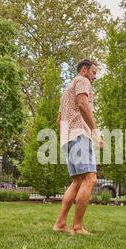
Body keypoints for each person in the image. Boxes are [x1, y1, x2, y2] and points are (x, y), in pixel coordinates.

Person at [53, 59, 103, 236]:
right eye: (94, 72)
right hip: (79, 135)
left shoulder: (66, 91)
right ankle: (78, 227)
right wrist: (95, 131)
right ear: (84, 70)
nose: (95, 76)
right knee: (90, 179)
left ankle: (60, 224)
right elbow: (83, 104)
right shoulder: (82, 81)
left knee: (77, 181)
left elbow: (59, 121)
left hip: (67, 138)